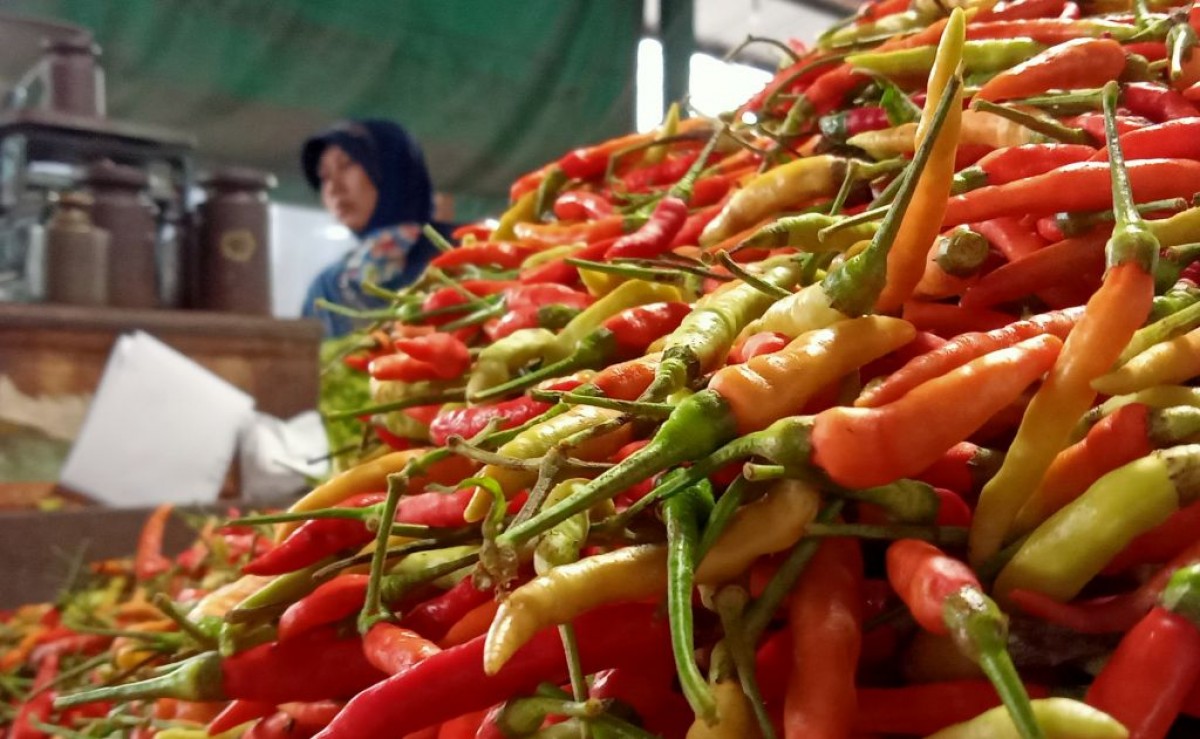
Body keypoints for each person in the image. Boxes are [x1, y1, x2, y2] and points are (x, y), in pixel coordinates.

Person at [300, 119, 441, 337]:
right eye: (324, 177)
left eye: (346, 165)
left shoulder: (464, 250)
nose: (334, 188)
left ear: (392, 167)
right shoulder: (327, 289)